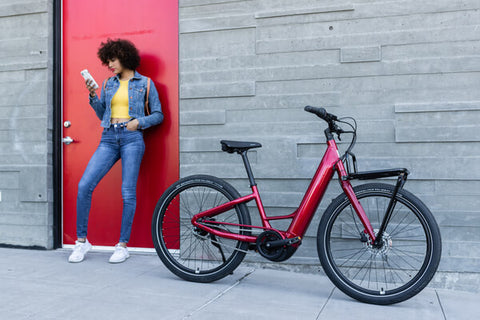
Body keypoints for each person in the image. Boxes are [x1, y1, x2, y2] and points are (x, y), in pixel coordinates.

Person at [69, 39, 163, 263]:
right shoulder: (108, 83)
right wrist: (93, 96)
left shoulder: (146, 83)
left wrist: (138, 123)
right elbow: (102, 114)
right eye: (107, 61)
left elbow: (159, 115)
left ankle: (122, 245)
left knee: (127, 192)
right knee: (84, 185)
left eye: (112, 60)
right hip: (109, 137)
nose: (109, 64)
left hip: (132, 138)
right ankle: (82, 242)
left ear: (125, 57)